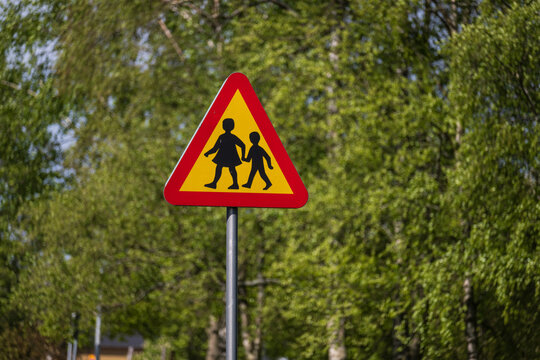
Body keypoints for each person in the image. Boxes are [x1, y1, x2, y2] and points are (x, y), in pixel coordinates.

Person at [204, 118, 246, 189]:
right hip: (223, 156)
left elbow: (243, 145)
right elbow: (215, 148)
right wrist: (208, 153)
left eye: (225, 125)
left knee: (229, 169)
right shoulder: (223, 137)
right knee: (223, 168)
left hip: (228, 157)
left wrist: (243, 156)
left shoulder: (226, 137)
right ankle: (215, 183)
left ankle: (235, 184)